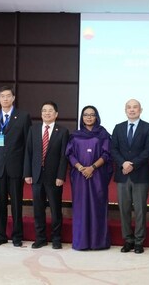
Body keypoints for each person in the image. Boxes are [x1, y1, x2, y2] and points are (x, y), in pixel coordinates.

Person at [0, 85, 32, 247]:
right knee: (0, 203)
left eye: (8, 96)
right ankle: (1, 235)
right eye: (2, 96)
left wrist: (26, 168)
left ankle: (17, 236)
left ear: (13, 98)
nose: (5, 99)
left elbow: (28, 145)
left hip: (15, 167)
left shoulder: (23, 117)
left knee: (16, 204)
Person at [111, 99, 149, 254]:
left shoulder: (148, 128)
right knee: (123, 209)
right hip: (122, 175)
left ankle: (139, 241)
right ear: (125, 110)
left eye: (135, 107)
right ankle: (128, 240)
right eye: (129, 107)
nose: (132, 110)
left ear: (140, 110)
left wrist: (133, 164)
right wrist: (123, 163)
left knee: (140, 210)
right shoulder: (118, 128)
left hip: (140, 175)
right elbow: (113, 149)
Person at [65, 105, 113, 250]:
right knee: (81, 207)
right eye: (86, 115)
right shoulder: (75, 135)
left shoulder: (103, 134)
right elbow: (69, 154)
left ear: (96, 117)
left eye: (92, 114)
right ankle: (81, 242)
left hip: (97, 175)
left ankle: (98, 242)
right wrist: (80, 167)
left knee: (97, 206)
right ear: (82, 117)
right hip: (79, 176)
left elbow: (107, 154)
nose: (89, 117)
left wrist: (92, 167)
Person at [23, 101, 69, 250]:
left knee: (55, 209)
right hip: (36, 176)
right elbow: (28, 152)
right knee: (38, 209)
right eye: (44, 110)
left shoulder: (63, 131)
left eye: (50, 111)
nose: (47, 113)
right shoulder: (33, 129)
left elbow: (63, 156)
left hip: (54, 177)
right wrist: (27, 173)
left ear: (56, 114)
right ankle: (40, 238)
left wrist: (61, 176)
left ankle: (56, 238)